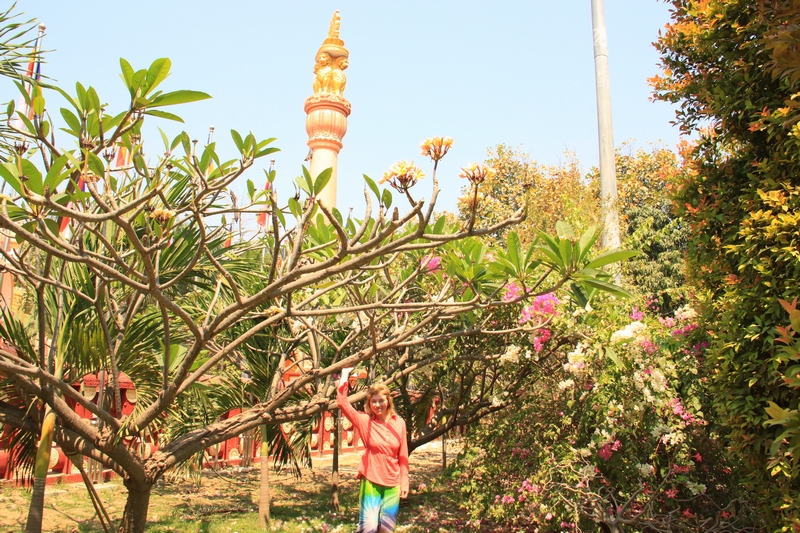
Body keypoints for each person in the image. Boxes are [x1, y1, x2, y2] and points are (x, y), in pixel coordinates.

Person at [338, 369, 409, 533]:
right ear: (369, 403)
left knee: (386, 528)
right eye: (373, 401)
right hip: (371, 478)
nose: (377, 405)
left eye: (381, 400)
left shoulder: (399, 423)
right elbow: (343, 403)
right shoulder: (365, 421)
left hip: (393, 481)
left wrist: (404, 481)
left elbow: (403, 455)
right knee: (368, 527)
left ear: (388, 401)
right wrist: (344, 374)